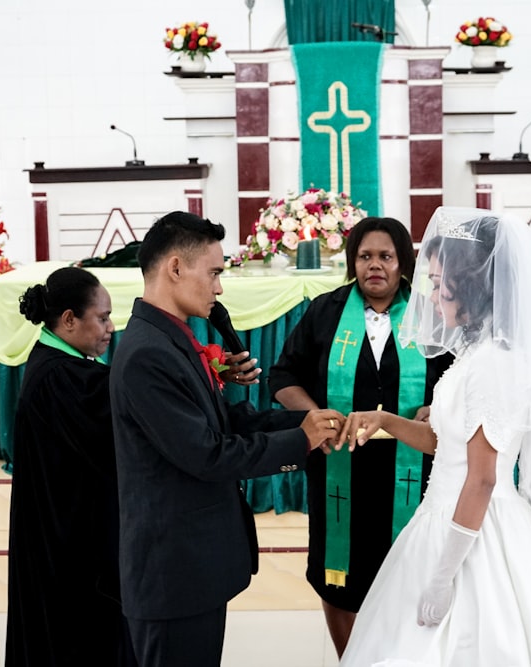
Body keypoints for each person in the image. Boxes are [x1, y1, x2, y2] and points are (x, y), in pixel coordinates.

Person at [337, 207, 531, 666]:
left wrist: (444, 576)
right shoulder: (476, 354)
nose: (433, 293)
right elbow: (447, 446)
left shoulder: (492, 366)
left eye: (441, 281)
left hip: (475, 531)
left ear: (472, 285)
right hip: (444, 514)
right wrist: (386, 421)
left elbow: (481, 478)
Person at [109, 210, 343, 667]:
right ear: (175, 268)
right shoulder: (147, 355)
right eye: (214, 272)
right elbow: (208, 454)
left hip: (192, 566)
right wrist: (301, 442)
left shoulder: (171, 339)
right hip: (172, 571)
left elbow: (225, 424)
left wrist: (305, 424)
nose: (219, 288)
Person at [268, 216, 453, 657]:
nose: (375, 266)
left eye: (386, 256)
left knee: (408, 572)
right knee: (339, 576)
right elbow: (282, 375)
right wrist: (314, 416)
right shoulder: (325, 311)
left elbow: (456, 379)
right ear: (352, 262)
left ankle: (402, 660)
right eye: (365, 256)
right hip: (338, 465)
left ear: (403, 262)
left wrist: (436, 406)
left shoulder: (431, 315)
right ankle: (349, 659)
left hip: (411, 469)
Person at [5, 266, 135, 666]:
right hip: (68, 553)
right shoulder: (62, 377)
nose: (111, 327)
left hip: (63, 540)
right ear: (68, 320)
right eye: (102, 317)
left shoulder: (60, 364)